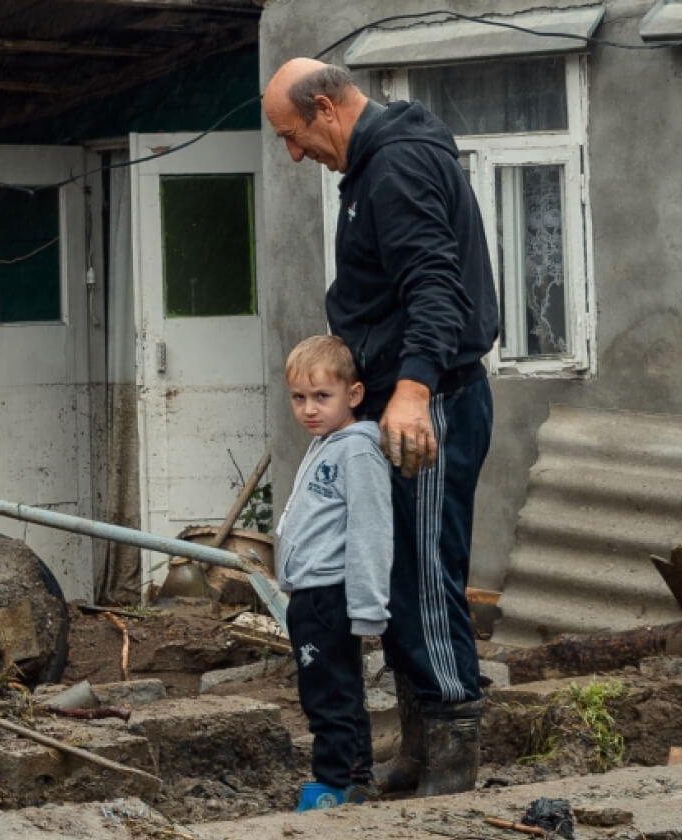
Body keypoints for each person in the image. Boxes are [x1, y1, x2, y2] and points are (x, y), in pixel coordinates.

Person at [262, 57, 498, 797]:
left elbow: (435, 282)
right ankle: (422, 751)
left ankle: (453, 753)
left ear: (327, 109)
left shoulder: (394, 167)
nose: (294, 154)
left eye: (294, 135)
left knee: (426, 577)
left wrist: (412, 390)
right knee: (405, 574)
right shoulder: (376, 161)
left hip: (430, 401)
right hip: (405, 394)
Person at [274, 334, 394, 810]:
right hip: (310, 594)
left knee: (327, 695)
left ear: (354, 395)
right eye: (299, 398)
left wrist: (367, 609)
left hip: (331, 595)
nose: (309, 409)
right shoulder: (326, 444)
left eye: (322, 397)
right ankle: (356, 779)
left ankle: (331, 787)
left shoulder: (357, 452)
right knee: (336, 689)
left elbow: (370, 531)